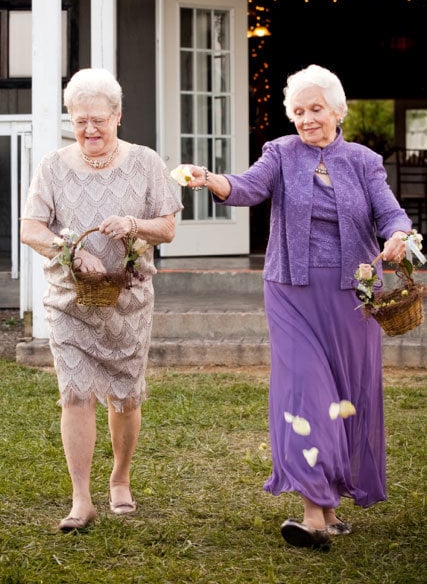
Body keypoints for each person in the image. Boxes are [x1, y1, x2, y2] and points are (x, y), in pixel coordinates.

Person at [183, 64, 413, 550]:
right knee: (305, 392)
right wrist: (211, 180)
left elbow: (390, 212)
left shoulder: (364, 160)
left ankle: (328, 510)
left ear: (337, 111)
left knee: (346, 396)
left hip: (354, 296)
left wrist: (397, 235)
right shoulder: (280, 154)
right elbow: (247, 187)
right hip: (290, 291)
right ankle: (312, 515)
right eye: (298, 111)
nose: (306, 119)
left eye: (315, 109)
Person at [20, 67, 183, 532]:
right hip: (70, 300)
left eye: (99, 119)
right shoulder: (52, 165)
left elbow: (167, 225)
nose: (89, 129)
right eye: (79, 119)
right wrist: (70, 250)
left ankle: (120, 478)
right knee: (75, 394)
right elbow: (31, 227)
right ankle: (80, 500)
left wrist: (134, 225)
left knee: (125, 399)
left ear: (118, 117)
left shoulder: (146, 162)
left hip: (127, 302)